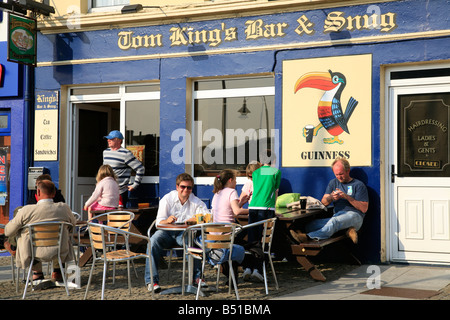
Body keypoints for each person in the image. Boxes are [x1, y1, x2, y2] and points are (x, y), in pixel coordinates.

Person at [144, 173, 207, 293]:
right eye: (183, 187)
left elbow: (205, 216)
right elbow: (158, 223)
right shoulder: (167, 199)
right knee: (152, 241)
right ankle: (152, 281)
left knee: (191, 241)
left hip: (184, 233)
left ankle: (197, 278)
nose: (186, 190)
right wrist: (166, 221)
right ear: (177, 187)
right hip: (166, 232)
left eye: (189, 187)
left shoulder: (196, 201)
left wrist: (196, 219)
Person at [5, 180, 76, 283]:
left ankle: (36, 273)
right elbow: (73, 224)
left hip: (33, 252)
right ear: (54, 193)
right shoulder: (64, 208)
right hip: (59, 250)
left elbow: (8, 231)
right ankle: (57, 272)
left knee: (19, 237)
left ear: (38, 192)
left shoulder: (26, 210)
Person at [290, 157, 369, 244]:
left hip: (355, 216)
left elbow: (364, 208)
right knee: (311, 225)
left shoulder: (358, 185)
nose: (339, 177)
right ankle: (347, 230)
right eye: (336, 174)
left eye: (341, 174)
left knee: (334, 222)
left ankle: (308, 237)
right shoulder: (333, 183)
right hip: (337, 215)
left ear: (348, 171)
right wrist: (331, 197)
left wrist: (346, 197)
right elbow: (323, 203)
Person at [247, 150, 281, 281]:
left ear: (260, 162)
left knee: (252, 240)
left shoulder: (255, 172)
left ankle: (248, 268)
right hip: (267, 208)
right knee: (264, 240)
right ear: (273, 161)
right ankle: (258, 269)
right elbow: (275, 190)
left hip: (253, 207)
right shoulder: (276, 172)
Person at [103, 130, 145, 208]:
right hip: (106, 191)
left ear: (119, 140)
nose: (108, 140)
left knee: (119, 217)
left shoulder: (126, 154)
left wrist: (135, 184)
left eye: (111, 139)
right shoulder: (106, 152)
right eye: (108, 138)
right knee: (107, 217)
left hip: (120, 192)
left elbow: (140, 168)